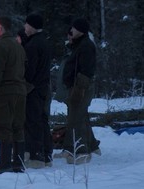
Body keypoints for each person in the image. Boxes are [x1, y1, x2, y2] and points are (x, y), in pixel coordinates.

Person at [0, 16, 27, 174]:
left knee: (3, 126)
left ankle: (4, 163)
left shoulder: (0, 46)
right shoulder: (19, 47)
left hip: (5, 93)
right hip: (20, 91)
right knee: (18, 126)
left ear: (1, 28)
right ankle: (18, 162)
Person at [56, 17, 100, 164]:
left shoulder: (86, 46)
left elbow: (86, 70)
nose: (71, 31)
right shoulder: (79, 44)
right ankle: (90, 146)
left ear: (80, 30)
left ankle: (81, 151)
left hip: (81, 87)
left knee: (77, 119)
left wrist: (79, 89)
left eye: (73, 28)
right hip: (76, 86)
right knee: (80, 116)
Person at [22, 13, 53, 169]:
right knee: (42, 120)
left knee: (33, 122)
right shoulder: (43, 42)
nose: (24, 27)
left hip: (33, 89)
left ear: (32, 26)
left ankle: (36, 156)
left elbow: (30, 70)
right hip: (43, 88)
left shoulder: (32, 45)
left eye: (26, 25)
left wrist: (25, 84)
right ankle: (47, 154)